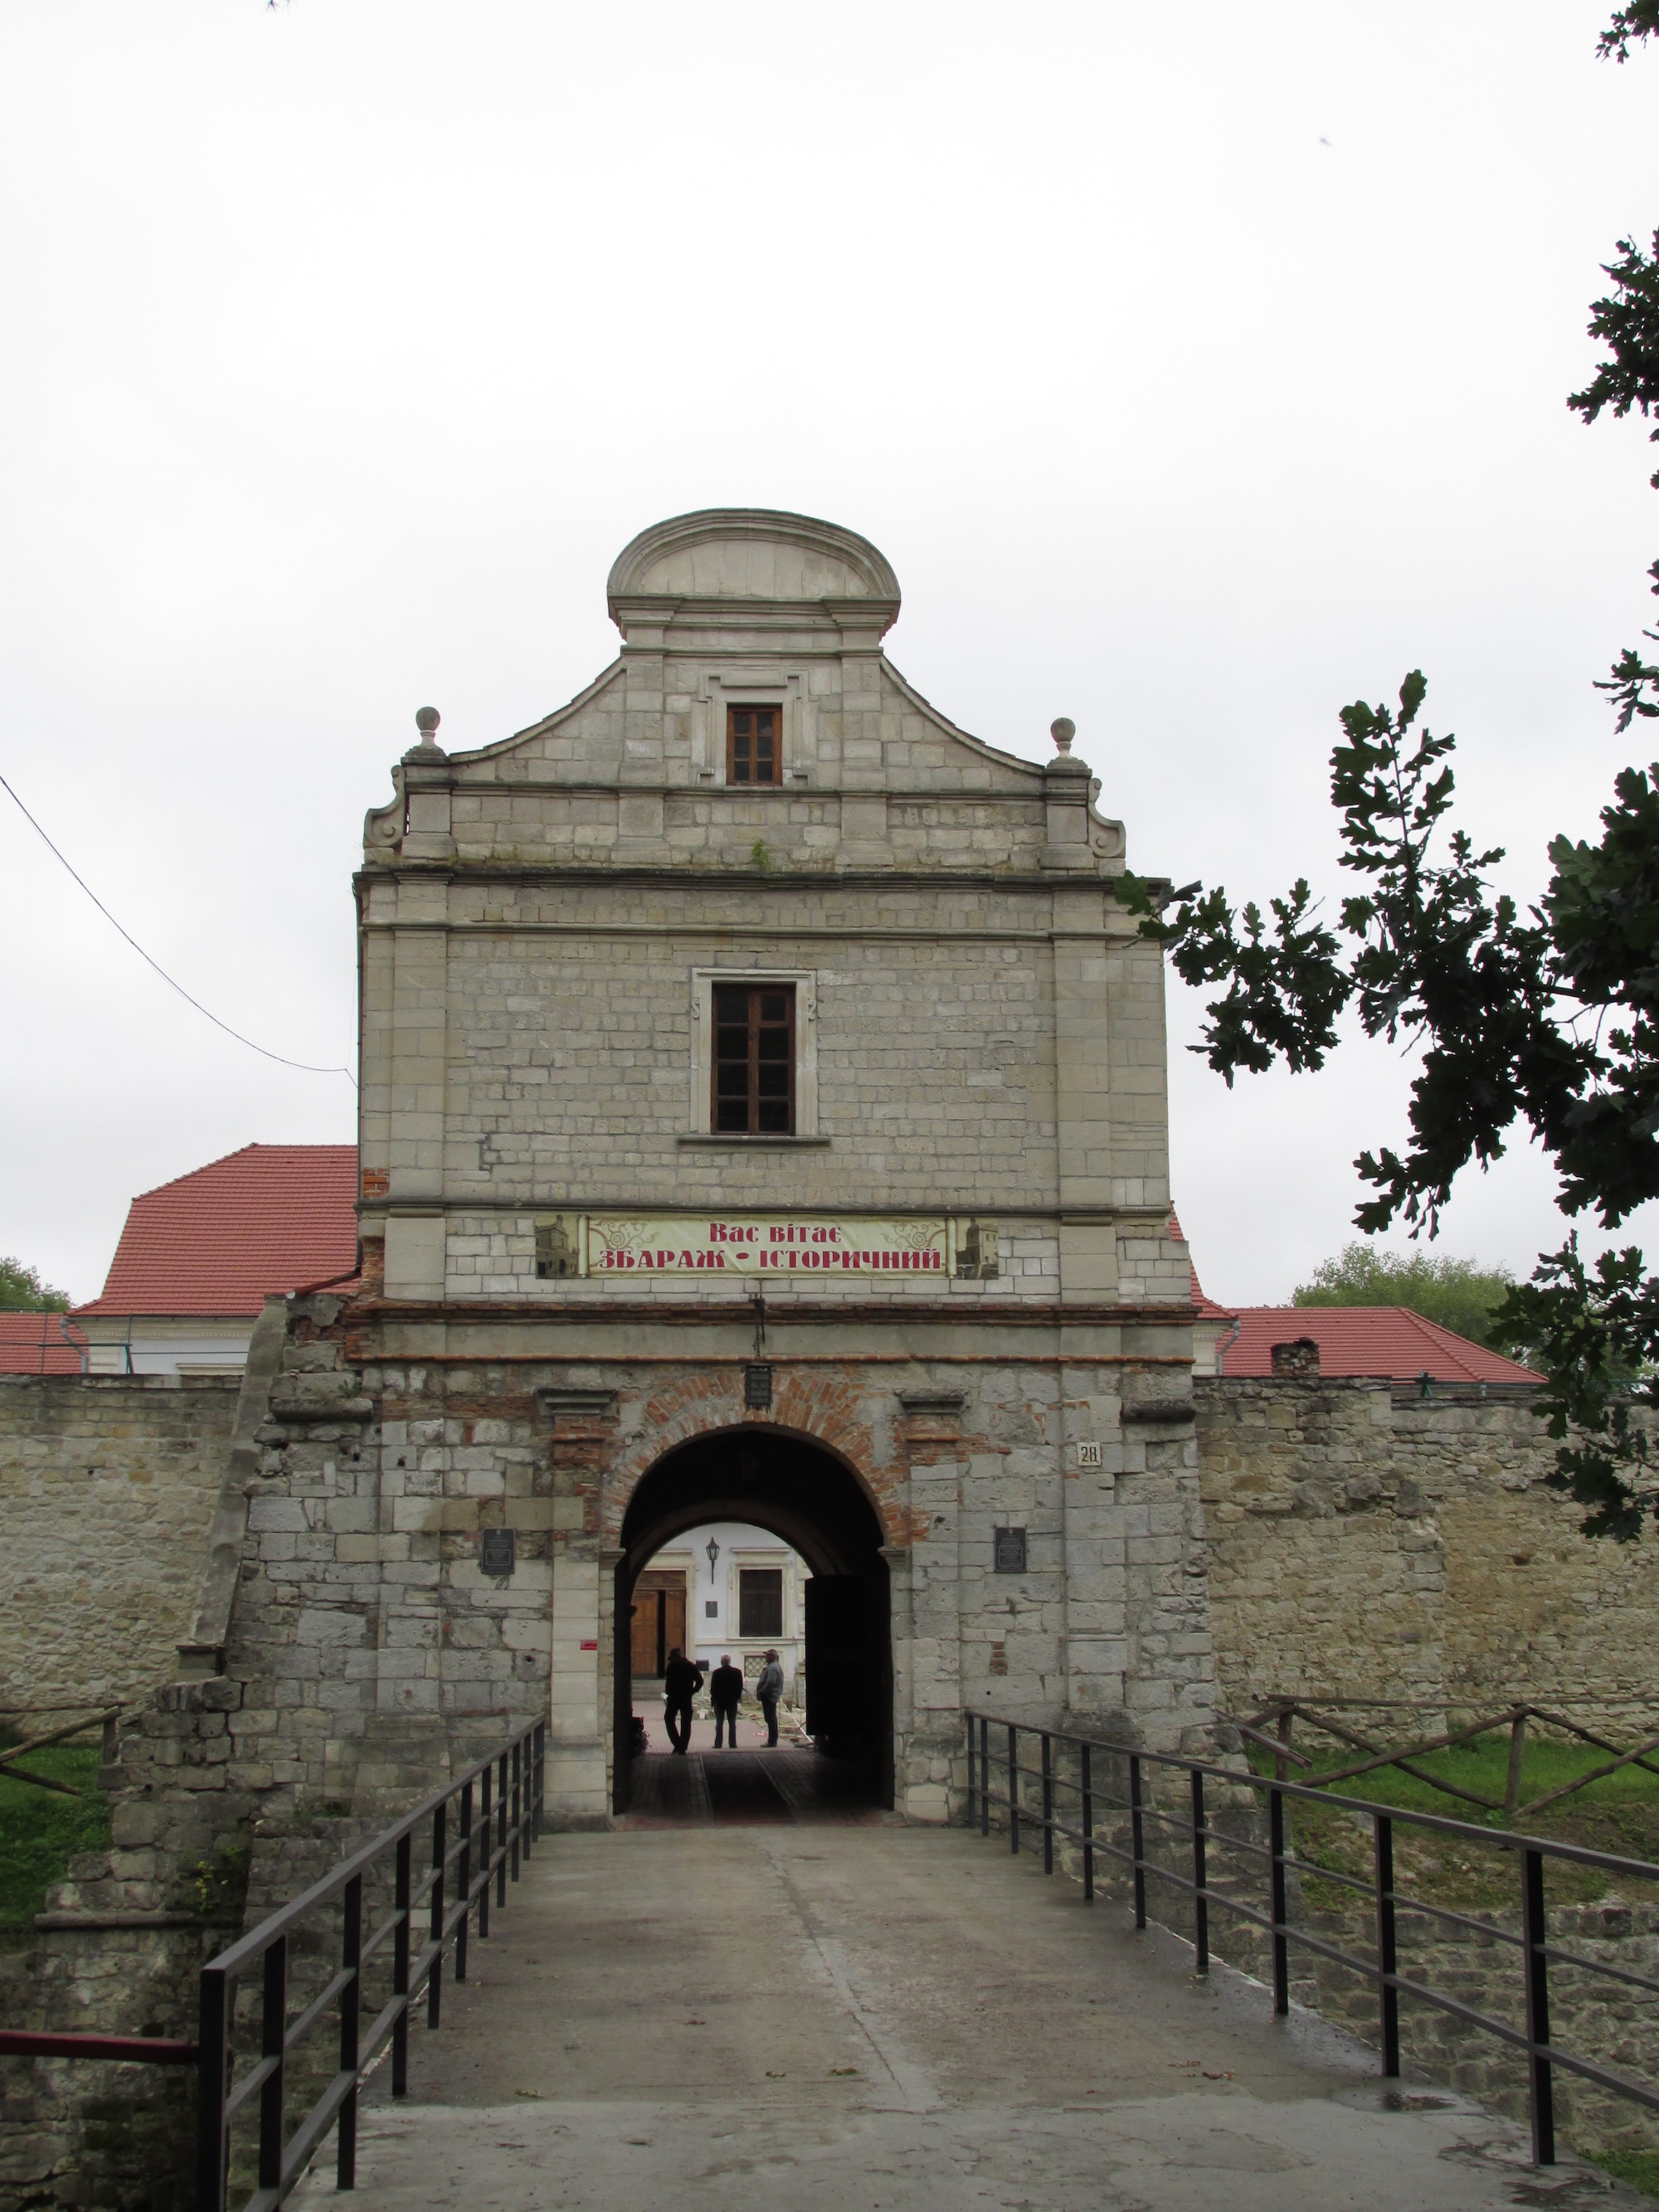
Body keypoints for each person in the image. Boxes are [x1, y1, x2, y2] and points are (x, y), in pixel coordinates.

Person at [662, 1646, 703, 1755]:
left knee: (668, 1719)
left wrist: (668, 1692)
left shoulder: (672, 1666)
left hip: (674, 1697)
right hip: (686, 1697)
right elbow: (700, 1681)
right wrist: (693, 1691)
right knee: (686, 1722)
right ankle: (683, 1746)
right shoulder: (690, 1665)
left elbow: (668, 1681)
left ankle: (677, 1743)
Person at [709, 1653, 744, 1748]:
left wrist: (713, 1700)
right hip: (732, 1701)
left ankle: (718, 1743)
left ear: (721, 1662)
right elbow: (740, 1687)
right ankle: (733, 1744)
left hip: (719, 1701)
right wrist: (736, 1698)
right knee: (732, 1723)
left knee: (719, 1723)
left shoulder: (716, 1673)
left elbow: (713, 1688)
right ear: (730, 1662)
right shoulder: (737, 1672)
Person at [755, 1648, 785, 1748]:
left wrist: (763, 1691)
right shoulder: (773, 1666)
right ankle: (772, 1740)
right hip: (770, 1695)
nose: (766, 1657)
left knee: (771, 1718)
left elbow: (771, 1682)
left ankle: (772, 1741)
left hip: (769, 1696)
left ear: (773, 1656)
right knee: (771, 1718)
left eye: (768, 1655)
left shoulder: (772, 1667)